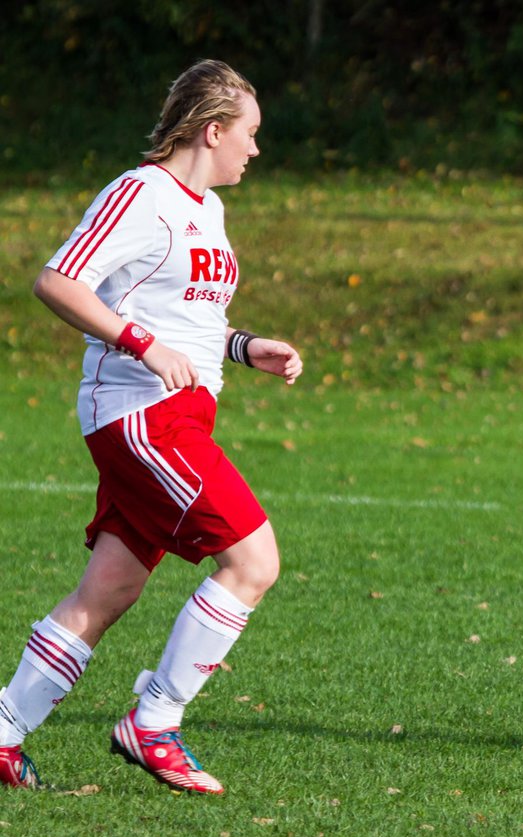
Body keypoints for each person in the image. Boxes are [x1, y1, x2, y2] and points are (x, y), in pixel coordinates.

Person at [0, 60, 302, 794]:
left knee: (107, 593)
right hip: (142, 418)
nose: (255, 151)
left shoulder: (207, 208)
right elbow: (58, 281)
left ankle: (3, 731)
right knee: (254, 562)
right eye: (250, 135)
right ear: (211, 131)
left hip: (179, 413)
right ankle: (154, 721)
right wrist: (139, 344)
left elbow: (188, 317)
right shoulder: (138, 194)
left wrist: (243, 347)